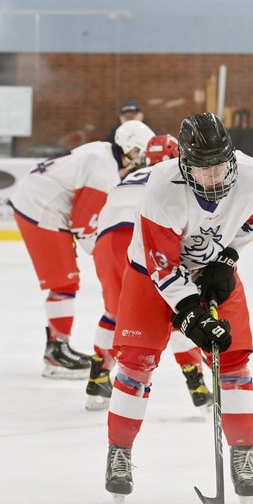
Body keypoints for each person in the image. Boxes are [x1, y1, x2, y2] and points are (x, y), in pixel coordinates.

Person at [103, 112, 253, 504]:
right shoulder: (162, 188)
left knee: (233, 361)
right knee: (136, 362)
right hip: (150, 274)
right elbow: (162, 266)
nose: (214, 178)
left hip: (211, 270)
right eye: (203, 170)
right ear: (185, 165)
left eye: (220, 167)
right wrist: (189, 311)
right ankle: (120, 453)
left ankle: (243, 456)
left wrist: (228, 259)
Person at [9, 119, 155, 379]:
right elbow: (82, 224)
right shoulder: (103, 168)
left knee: (66, 282)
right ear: (128, 148)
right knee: (64, 282)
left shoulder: (103, 154)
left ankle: (57, 346)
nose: (140, 159)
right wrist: (104, 254)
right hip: (41, 208)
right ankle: (56, 352)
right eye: (138, 153)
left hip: (41, 203)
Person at [86, 133, 211, 411]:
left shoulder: (127, 178)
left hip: (104, 244)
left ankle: (97, 378)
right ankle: (196, 382)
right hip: (139, 240)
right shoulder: (179, 177)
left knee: (114, 312)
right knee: (174, 308)